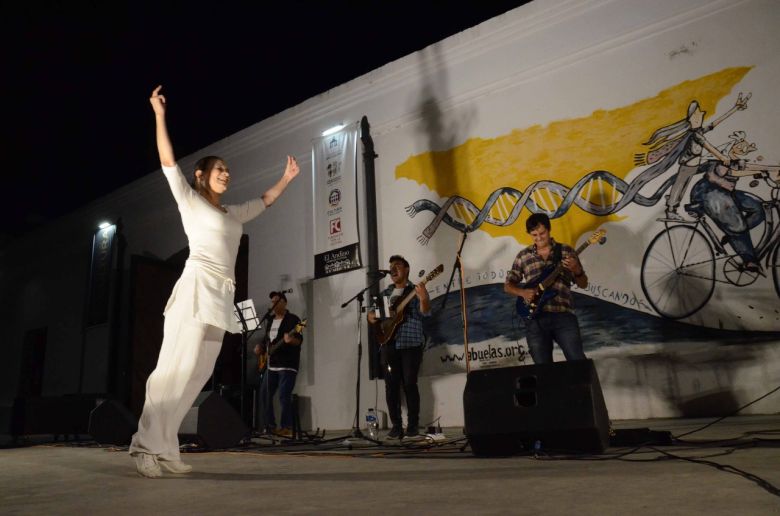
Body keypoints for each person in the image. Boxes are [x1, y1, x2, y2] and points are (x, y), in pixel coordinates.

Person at [129, 85, 300, 478]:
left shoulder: (233, 214)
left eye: (228, 169)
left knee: (198, 374)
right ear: (201, 175)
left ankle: (166, 447)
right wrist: (159, 115)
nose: (226, 173)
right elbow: (168, 162)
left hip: (220, 299)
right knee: (175, 367)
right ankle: (144, 445)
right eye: (218, 169)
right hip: (194, 291)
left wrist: (286, 178)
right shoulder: (190, 200)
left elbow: (265, 200)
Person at [504, 213, 588, 364]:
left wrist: (576, 270)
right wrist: (523, 292)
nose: (539, 238)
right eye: (534, 235)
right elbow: (508, 286)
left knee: (578, 364)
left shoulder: (566, 251)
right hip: (535, 321)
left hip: (563, 316)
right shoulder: (523, 256)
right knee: (543, 372)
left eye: (542, 233)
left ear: (549, 230)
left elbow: (583, 283)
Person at [367, 255, 431, 439]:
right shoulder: (385, 293)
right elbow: (371, 315)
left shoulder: (415, 290)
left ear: (407, 269)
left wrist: (424, 298)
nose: (394, 269)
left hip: (411, 344)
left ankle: (412, 426)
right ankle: (396, 426)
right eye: (391, 267)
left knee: (410, 384)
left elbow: (426, 314)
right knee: (391, 386)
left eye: (398, 266)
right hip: (388, 344)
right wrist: (372, 317)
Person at [689, 131, 764, 272]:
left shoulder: (739, 161)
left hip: (727, 193)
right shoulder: (721, 155)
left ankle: (732, 234)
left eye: (745, 149)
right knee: (736, 223)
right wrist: (721, 181)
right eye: (739, 147)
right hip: (707, 192)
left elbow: (748, 168)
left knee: (758, 209)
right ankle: (749, 259)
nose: (742, 150)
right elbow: (710, 175)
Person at [253, 291, 303, 438]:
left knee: (283, 396)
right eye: (272, 301)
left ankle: (286, 427)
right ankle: (270, 426)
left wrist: (290, 340)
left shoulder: (294, 320)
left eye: (276, 301)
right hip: (271, 365)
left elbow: (299, 339)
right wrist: (260, 348)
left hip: (287, 365)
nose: (273, 304)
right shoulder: (270, 321)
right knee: (264, 395)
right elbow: (267, 340)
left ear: (284, 303)